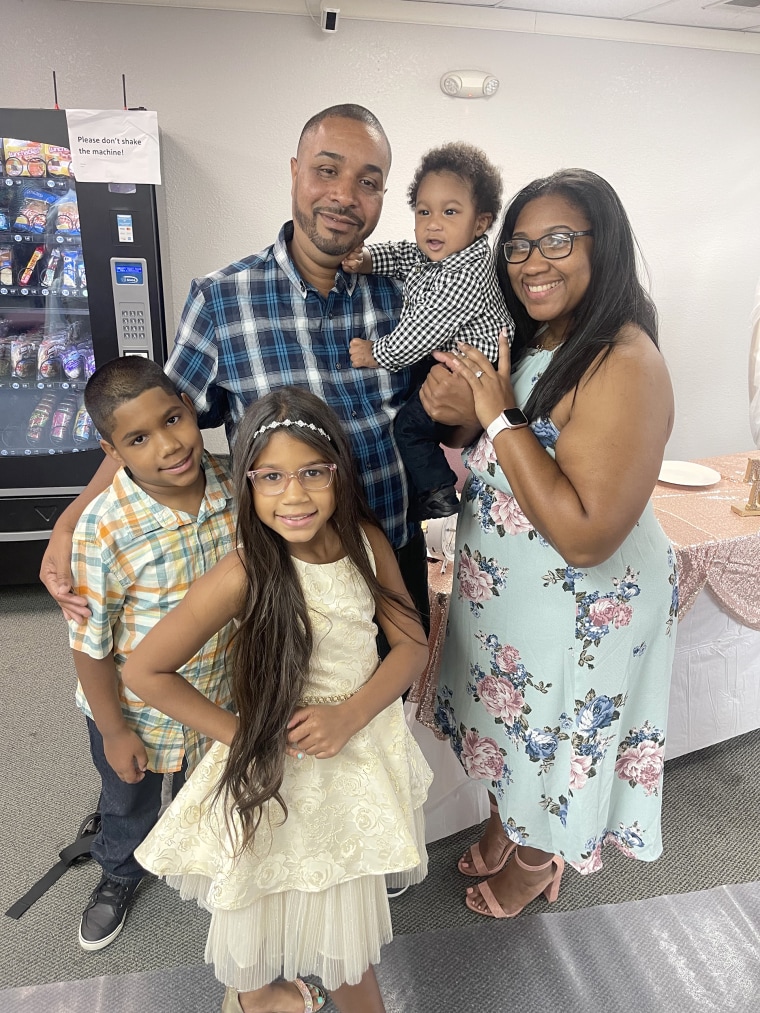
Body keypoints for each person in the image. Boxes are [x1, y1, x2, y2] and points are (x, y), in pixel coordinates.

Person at [40, 104, 430, 640]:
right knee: (294, 715)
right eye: (327, 169)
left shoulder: (410, 294)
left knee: (389, 703)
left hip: (392, 551)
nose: (344, 195)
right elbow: (156, 428)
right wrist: (72, 521)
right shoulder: (223, 300)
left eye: (369, 181)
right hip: (286, 574)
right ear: (295, 171)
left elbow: (436, 423)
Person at [121, 387, 433, 1013]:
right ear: (248, 485)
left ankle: (278, 995)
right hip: (279, 770)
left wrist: (351, 713)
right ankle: (258, 996)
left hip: (356, 753)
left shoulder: (366, 543)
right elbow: (145, 669)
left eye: (312, 472)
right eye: (271, 477)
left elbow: (411, 646)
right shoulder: (247, 569)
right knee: (267, 894)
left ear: (339, 471)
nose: (294, 496)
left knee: (339, 910)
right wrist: (241, 734)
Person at [427, 168, 678, 918]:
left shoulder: (625, 360)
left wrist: (497, 419)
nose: (534, 262)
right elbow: (522, 445)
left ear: (606, 244)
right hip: (517, 606)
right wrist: (466, 416)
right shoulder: (542, 336)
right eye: (519, 246)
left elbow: (585, 535)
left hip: (580, 610)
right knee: (516, 729)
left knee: (555, 741)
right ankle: (512, 824)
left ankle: (537, 861)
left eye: (559, 240)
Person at [68, 356, 237, 950]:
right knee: (128, 800)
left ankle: (203, 860)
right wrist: (113, 731)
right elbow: (89, 647)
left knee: (208, 788)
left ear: (190, 408)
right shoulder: (104, 528)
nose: (169, 446)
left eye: (173, 419)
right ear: (111, 448)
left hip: (216, 691)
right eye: (139, 438)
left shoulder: (230, 485)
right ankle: (118, 873)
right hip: (133, 711)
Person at [344, 141, 512, 520]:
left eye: (450, 212)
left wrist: (377, 353)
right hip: (449, 359)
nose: (433, 223)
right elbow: (404, 254)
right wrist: (369, 259)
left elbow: (419, 333)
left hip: (472, 373)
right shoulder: (436, 253)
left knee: (409, 427)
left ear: (480, 223)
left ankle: (437, 492)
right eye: (424, 211)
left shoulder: (465, 274)